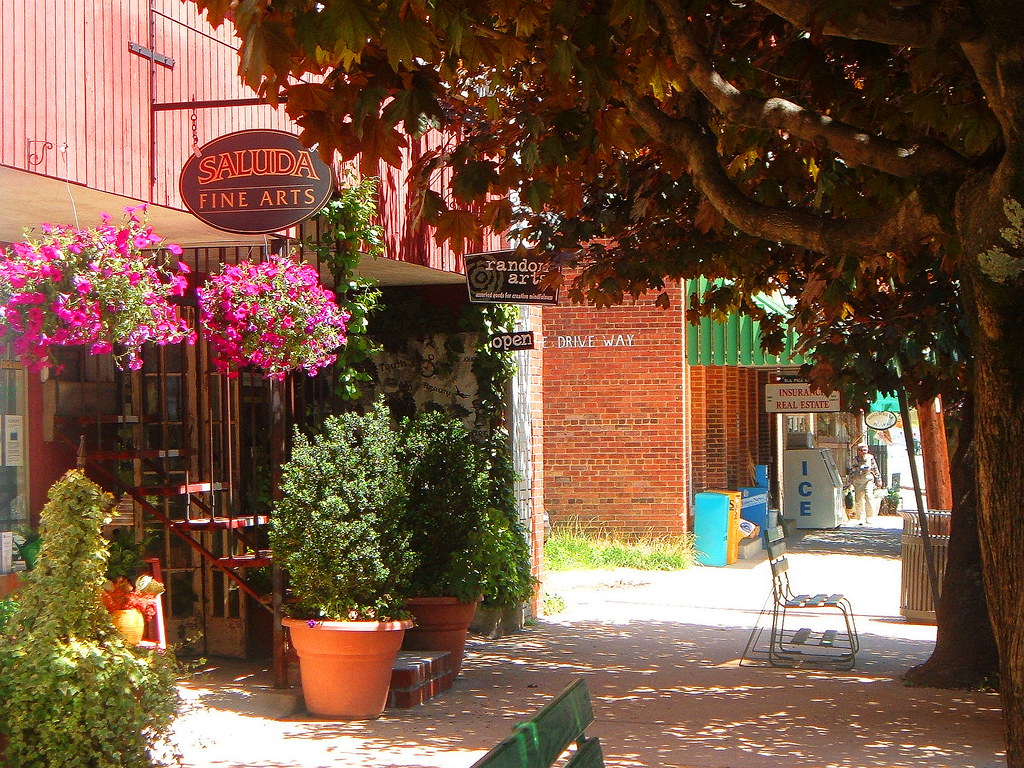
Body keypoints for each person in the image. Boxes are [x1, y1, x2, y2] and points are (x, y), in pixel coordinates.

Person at [846, 443, 883, 525]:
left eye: (865, 450)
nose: (864, 452)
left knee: (869, 497)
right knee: (858, 499)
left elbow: (875, 468)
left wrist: (878, 479)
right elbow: (851, 471)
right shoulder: (854, 459)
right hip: (858, 481)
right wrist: (850, 482)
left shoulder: (870, 458)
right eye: (861, 450)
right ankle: (860, 518)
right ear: (858, 451)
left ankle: (869, 517)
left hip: (868, 479)